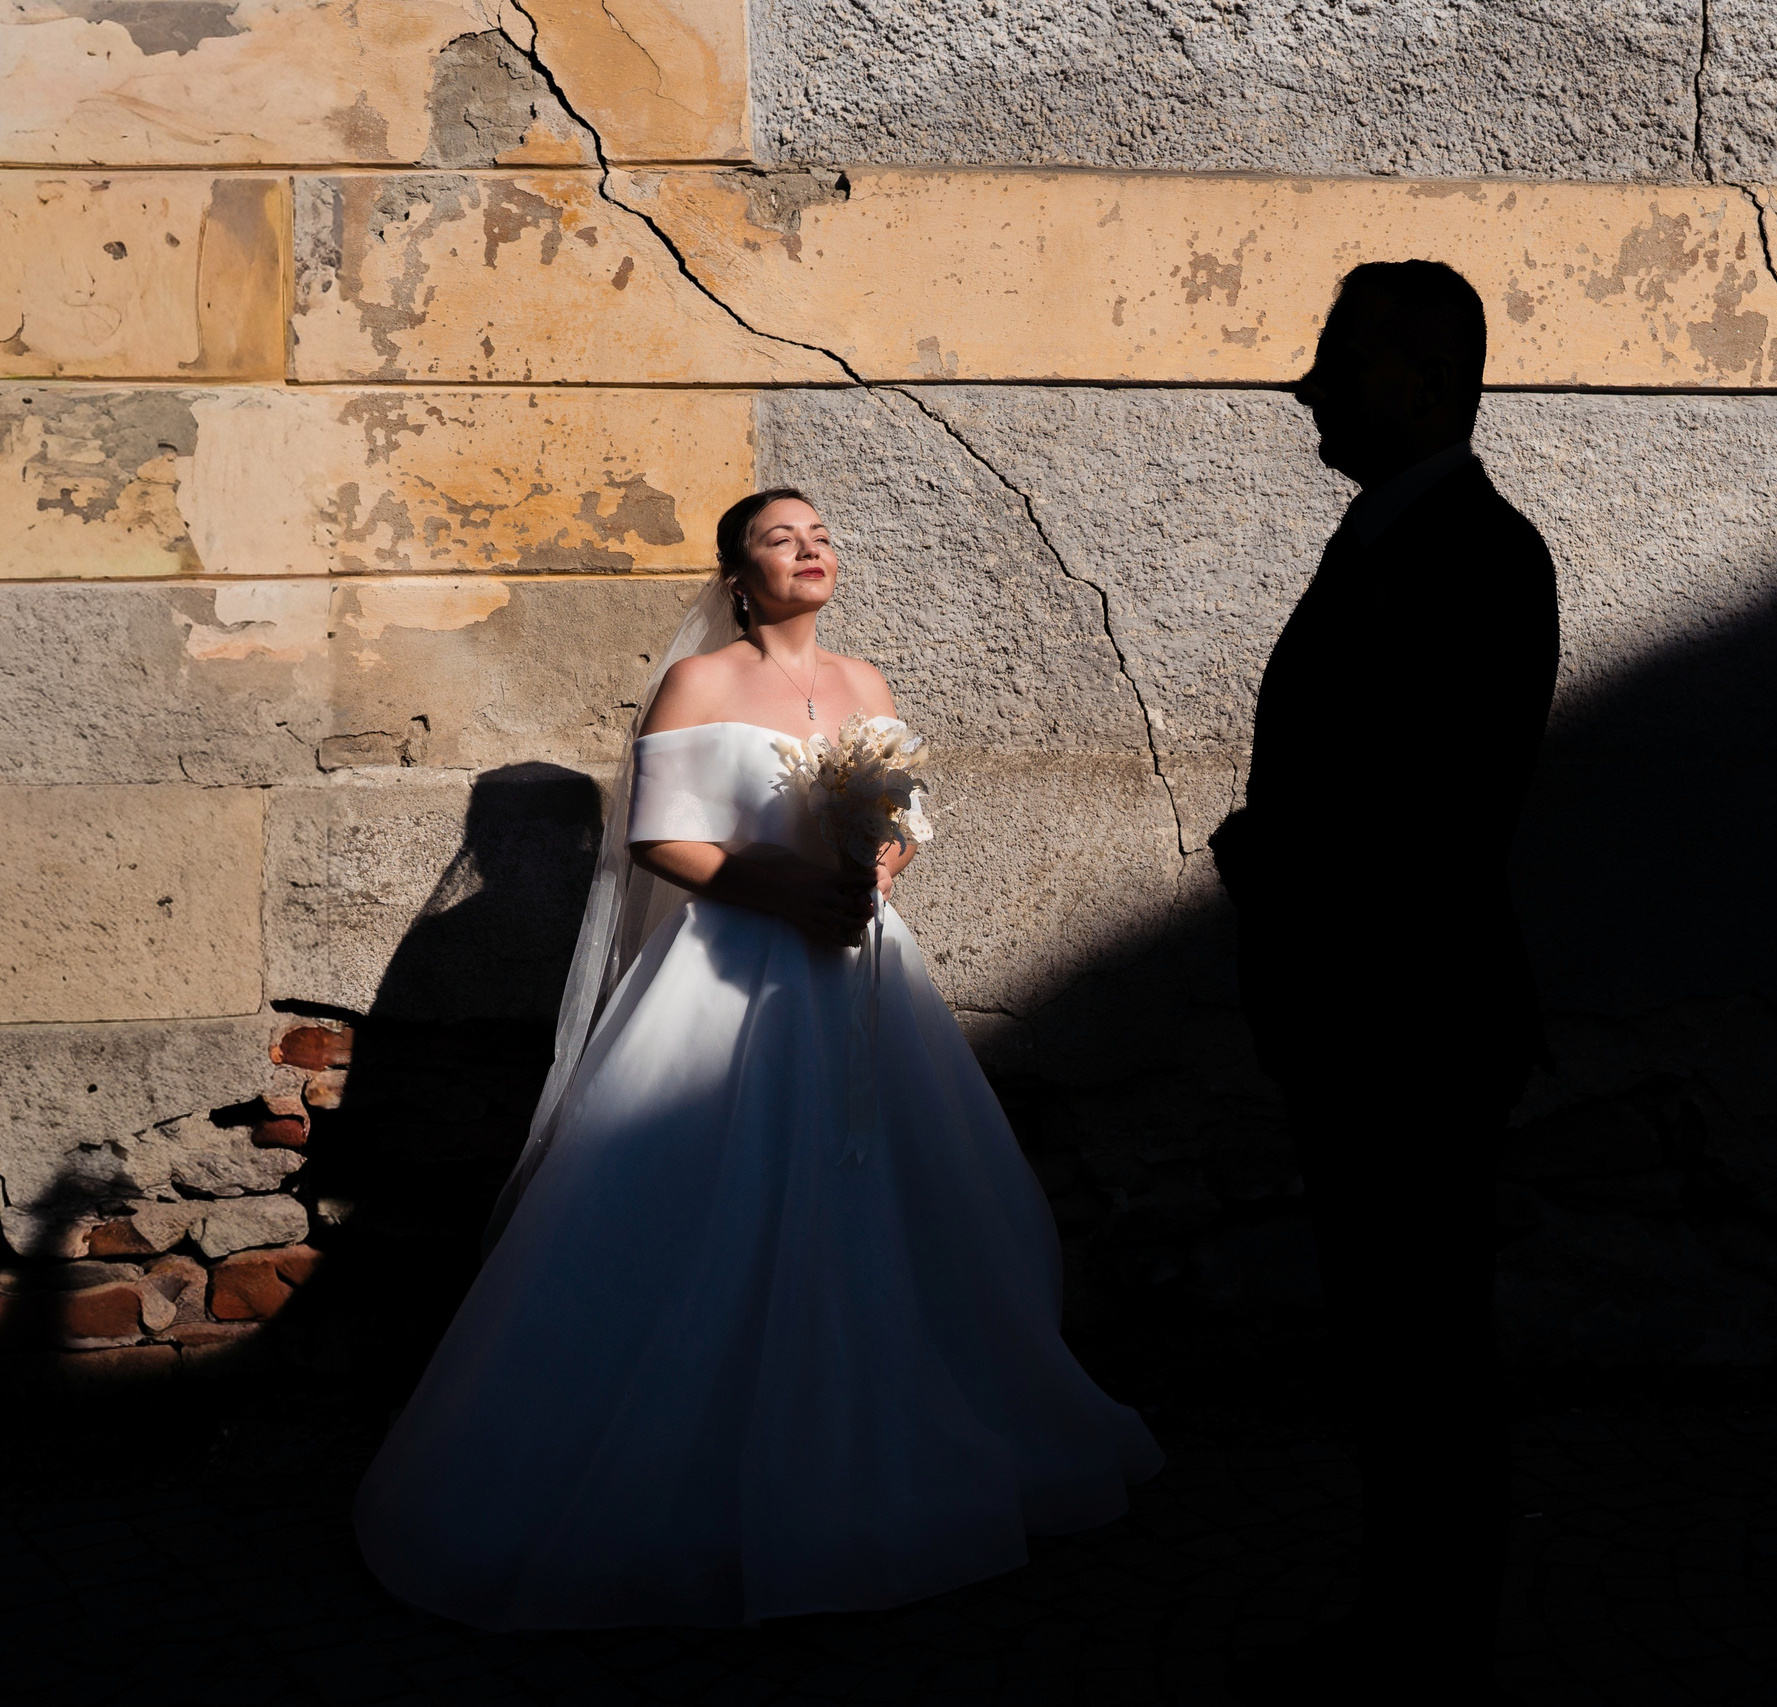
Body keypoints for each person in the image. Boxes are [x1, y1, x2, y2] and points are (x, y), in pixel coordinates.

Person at [354, 488, 1161, 1630]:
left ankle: (903, 1446)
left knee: (894, 1198)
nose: (810, 550)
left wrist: (874, 878)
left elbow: (900, 824)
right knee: (697, 1203)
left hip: (861, 968)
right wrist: (786, 889)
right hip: (733, 967)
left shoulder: (866, 684)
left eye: (822, 534)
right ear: (738, 573)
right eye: (782, 539)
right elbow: (660, 841)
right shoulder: (701, 683)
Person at [1213, 262, 1561, 1696]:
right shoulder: (1390, 535)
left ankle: (1434, 1648)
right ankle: (1404, 1625)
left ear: (1421, 380)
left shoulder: (1479, 551)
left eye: (1339, 362)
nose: (1311, 391)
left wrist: (1271, 857)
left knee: (1426, 1348)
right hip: (1369, 1015)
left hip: (1406, 1020)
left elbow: (1437, 808)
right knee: (1393, 1345)